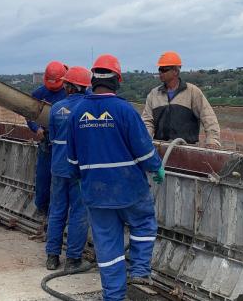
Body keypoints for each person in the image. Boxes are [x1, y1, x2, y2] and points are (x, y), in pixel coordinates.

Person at [66, 54, 164, 301]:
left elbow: (72, 159)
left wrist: (80, 177)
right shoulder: (125, 110)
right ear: (117, 80)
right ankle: (139, 271)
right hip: (129, 187)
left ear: (93, 81)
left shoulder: (77, 113)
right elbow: (144, 150)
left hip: (96, 192)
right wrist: (156, 167)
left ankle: (113, 297)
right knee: (143, 223)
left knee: (108, 246)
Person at [44, 66, 91, 271]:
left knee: (57, 210)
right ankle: (73, 259)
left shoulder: (56, 108)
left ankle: (52, 257)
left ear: (69, 87)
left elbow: (53, 137)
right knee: (79, 212)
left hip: (58, 166)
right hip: (80, 169)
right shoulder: (88, 109)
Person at [141, 51, 221, 147]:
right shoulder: (153, 94)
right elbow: (147, 122)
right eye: (159, 69)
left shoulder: (192, 92)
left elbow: (208, 117)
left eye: (164, 69)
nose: (160, 72)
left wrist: (212, 140)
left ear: (175, 71)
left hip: (187, 148)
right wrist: (144, 140)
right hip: (160, 147)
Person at [27, 61, 68, 223]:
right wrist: (36, 128)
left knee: (64, 179)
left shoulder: (69, 93)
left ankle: (60, 211)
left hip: (65, 144)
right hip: (47, 141)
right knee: (43, 178)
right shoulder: (39, 93)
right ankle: (42, 208)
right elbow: (30, 115)